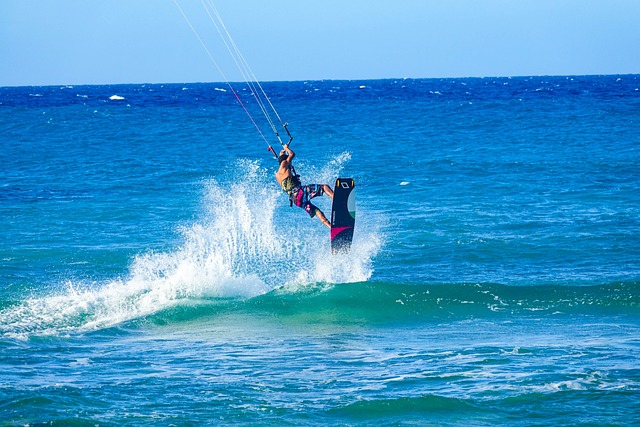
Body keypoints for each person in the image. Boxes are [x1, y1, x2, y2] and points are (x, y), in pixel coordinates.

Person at [275, 144, 334, 228]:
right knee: (324, 187)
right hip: (299, 192)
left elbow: (282, 162)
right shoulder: (284, 163)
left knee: (316, 211)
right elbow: (292, 154)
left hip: (295, 200)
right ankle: (337, 201)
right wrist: (286, 148)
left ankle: (330, 226)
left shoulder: (277, 175)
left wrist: (281, 154)